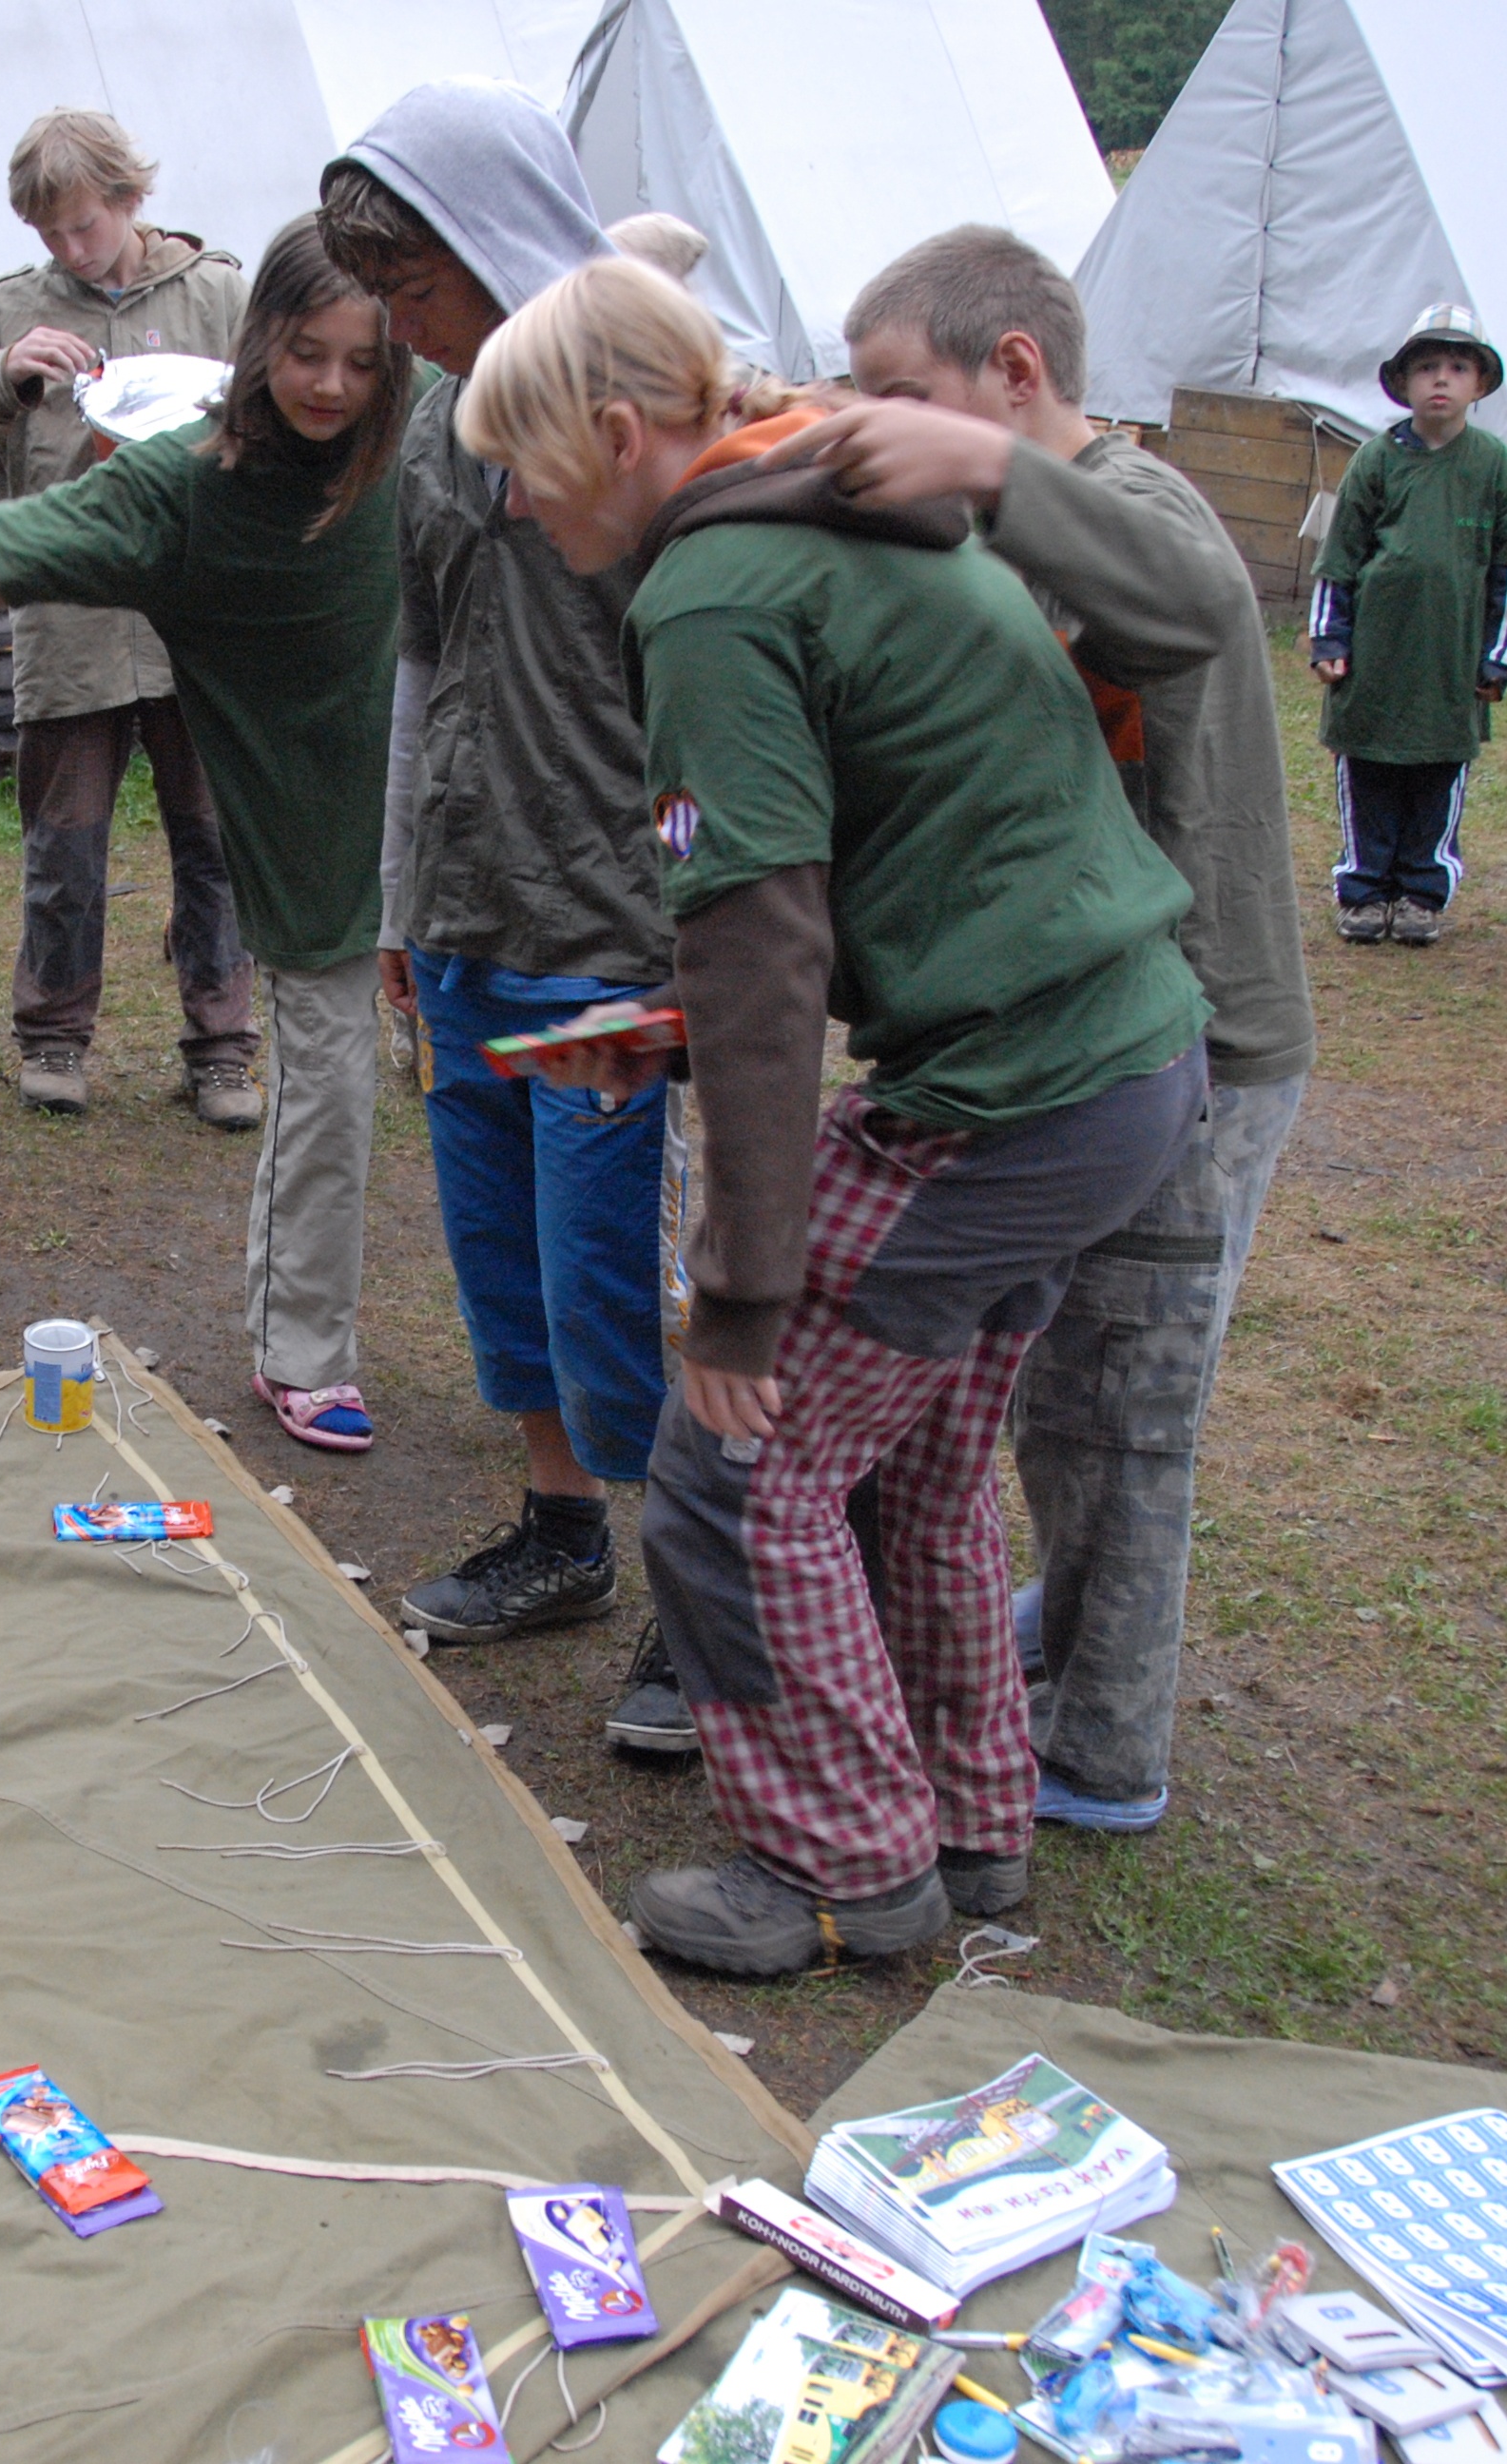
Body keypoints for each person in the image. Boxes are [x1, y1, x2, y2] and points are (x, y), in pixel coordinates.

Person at [463, 258, 1208, 1972]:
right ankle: (965, 1818)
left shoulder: (711, 595)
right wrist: (680, 1028)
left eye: (522, 465)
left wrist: (737, 1293)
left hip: (1014, 1093)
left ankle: (834, 1865)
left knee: (731, 1477)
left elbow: (760, 943)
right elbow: (899, 847)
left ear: (618, 436)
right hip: (1118, 1061)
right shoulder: (828, 502)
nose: (511, 506)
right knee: (920, 1468)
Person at [792, 225, 1314, 1838]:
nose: (880, 423)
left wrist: (980, 473)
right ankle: (1071, 1622)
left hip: (1194, 1040)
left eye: (904, 391)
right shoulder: (1029, 524)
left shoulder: (1137, 507)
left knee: (1122, 1405)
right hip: (1094, 1041)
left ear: (1012, 373)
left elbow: (1195, 604)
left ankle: (1100, 1743)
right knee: (1061, 1379)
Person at [0, 219, 414, 1452]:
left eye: (363, 362)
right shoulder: (185, 491)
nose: (333, 385)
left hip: (448, 816)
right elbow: (3, 545)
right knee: (330, 1093)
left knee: (513, 1092)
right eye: (306, 354)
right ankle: (304, 1350)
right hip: (317, 842)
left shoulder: (422, 430)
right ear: (257, 342)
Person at [318, 83, 669, 1573]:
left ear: (502, 241)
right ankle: (562, 1526)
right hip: (466, 909)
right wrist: (401, 898)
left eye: (417, 289)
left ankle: (698, 1586)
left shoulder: (650, 417)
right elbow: (420, 663)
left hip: (608, 925)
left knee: (606, 1259)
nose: (401, 328)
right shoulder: (435, 427)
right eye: (383, 297)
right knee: (500, 1245)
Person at [0, 107, 255, 1127]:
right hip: (70, 617)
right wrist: (1, 372)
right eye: (49, 232)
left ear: (130, 197)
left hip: (198, 619)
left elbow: (291, 405)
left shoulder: (216, 295)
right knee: (63, 846)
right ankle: (53, 1038)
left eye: (85, 224)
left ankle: (222, 1048)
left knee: (215, 842)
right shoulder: (13, 306)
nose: (70, 248)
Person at [1308, 306, 1507, 948]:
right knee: (1369, 773)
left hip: (1450, 665)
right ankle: (1364, 889)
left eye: (1458, 367)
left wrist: (1499, 659)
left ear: (1480, 384)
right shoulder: (1375, 462)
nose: (1441, 379)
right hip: (1375, 661)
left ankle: (1420, 892)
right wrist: (1329, 638)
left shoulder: (1495, 466)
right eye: (1427, 366)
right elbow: (1339, 557)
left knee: (1437, 778)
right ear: (1403, 382)